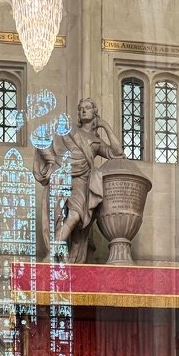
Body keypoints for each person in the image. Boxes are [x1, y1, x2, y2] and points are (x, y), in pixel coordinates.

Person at [33, 98, 124, 263]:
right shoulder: (68, 130)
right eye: (81, 108)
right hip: (61, 173)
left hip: (82, 178)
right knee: (58, 215)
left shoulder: (96, 141)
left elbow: (117, 152)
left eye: (88, 108)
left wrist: (105, 126)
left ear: (94, 111)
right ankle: (53, 255)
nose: (84, 111)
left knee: (76, 215)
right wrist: (52, 160)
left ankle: (54, 252)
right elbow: (41, 139)